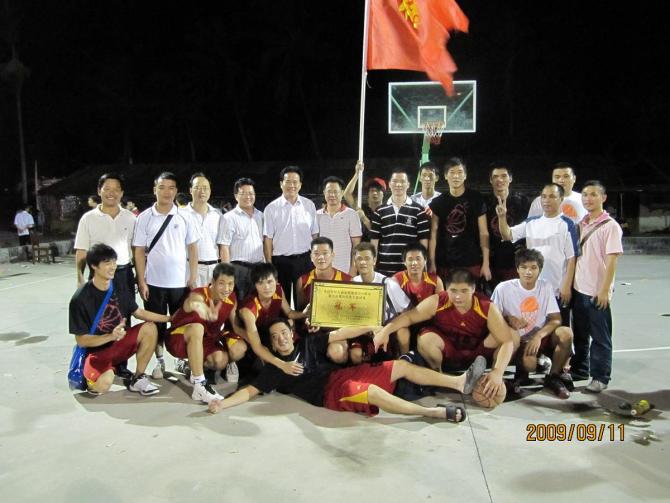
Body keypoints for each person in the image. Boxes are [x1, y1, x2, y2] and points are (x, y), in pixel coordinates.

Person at [209, 318, 488, 423]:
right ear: (271, 343)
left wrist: (370, 326)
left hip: (340, 375)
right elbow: (249, 391)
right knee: (372, 392)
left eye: (284, 332)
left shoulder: (308, 343)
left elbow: (341, 333)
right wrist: (223, 403)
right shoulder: (276, 369)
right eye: (275, 337)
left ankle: (459, 382)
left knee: (401, 365)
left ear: (291, 333)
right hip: (331, 393)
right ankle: (433, 413)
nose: (281, 338)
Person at [373, 269, 516, 400]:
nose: (458, 296)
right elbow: (409, 317)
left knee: (512, 336)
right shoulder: (438, 301)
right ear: (446, 289)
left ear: (473, 289)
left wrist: (498, 372)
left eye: (464, 291)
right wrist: (386, 331)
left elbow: (507, 341)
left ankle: (491, 379)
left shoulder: (486, 306)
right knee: (426, 338)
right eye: (453, 291)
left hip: (477, 351)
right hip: (449, 351)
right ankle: (440, 378)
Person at [69, 244, 171, 396]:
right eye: (107, 263)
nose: (113, 267)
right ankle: (97, 373)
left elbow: (139, 312)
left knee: (150, 328)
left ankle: (138, 378)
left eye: (114, 262)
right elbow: (82, 340)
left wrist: (169, 318)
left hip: (118, 345)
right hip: (96, 353)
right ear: (94, 266)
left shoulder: (118, 289)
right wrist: (111, 336)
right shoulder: (80, 298)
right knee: (103, 385)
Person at [132, 172, 200, 379]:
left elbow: (193, 248)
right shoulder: (144, 217)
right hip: (153, 283)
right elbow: (139, 251)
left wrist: (192, 277)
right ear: (155, 190)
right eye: (162, 187)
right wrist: (141, 280)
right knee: (156, 325)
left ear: (176, 191)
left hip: (180, 282)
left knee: (182, 322)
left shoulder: (185, 216)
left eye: (171, 188)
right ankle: (159, 360)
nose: (167, 192)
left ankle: (182, 359)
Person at [491, 248, 574, 398]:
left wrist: (538, 336)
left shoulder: (545, 287)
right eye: (523, 267)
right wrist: (508, 319)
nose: (528, 272)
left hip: (537, 339)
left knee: (566, 333)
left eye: (533, 268)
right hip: (514, 340)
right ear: (517, 269)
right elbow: (490, 318)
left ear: (540, 270)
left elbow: (556, 319)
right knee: (529, 364)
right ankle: (499, 376)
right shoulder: (503, 288)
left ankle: (553, 376)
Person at [497, 183, 579, 327]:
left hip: (557, 289)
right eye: (544, 196)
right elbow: (507, 234)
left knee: (560, 329)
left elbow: (571, 257)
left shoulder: (567, 224)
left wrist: (566, 285)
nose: (547, 200)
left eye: (552, 196)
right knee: (534, 328)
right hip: (534, 289)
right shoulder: (531, 222)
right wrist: (502, 217)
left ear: (561, 199)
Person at [571, 181, 623, 393]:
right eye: (585, 194)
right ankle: (581, 369)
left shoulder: (610, 226)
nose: (588, 198)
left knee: (600, 337)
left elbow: (612, 261)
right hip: (578, 289)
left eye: (593, 194)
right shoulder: (581, 224)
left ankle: (601, 376)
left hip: (596, 292)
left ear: (603, 197)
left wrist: (604, 290)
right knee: (580, 334)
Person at [166, 263, 243, 402]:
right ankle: (200, 385)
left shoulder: (231, 298)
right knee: (197, 327)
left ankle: (189, 366)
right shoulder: (198, 293)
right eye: (222, 283)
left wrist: (255, 341)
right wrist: (205, 310)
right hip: (179, 339)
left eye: (230, 284)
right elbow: (194, 303)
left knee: (221, 361)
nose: (227, 288)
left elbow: (235, 326)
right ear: (213, 282)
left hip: (206, 341)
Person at [236, 263, 308, 375]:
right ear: (255, 285)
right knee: (266, 359)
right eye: (261, 283)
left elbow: (289, 313)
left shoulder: (278, 290)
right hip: (252, 335)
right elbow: (257, 346)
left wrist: (305, 313)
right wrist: (283, 365)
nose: (267, 287)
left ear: (276, 281)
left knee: (292, 330)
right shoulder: (249, 309)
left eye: (270, 282)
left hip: (269, 330)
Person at [263, 166, 319, 307]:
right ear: (281, 183)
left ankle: (304, 322)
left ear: (300, 184)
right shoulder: (271, 208)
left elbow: (315, 234)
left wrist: (315, 258)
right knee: (282, 302)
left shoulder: (309, 205)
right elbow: (268, 239)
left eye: (295, 182)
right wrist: (269, 264)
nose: (291, 185)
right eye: (288, 182)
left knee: (305, 300)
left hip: (305, 260)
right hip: (281, 262)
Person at [428, 157, 491, 283]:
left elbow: (484, 233)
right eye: (452, 172)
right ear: (446, 176)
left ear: (465, 176)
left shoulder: (476, 199)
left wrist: (486, 263)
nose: (456, 176)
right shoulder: (438, 202)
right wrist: (432, 262)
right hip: (445, 262)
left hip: (471, 260)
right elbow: (433, 234)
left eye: (460, 172)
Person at [370, 168, 430, 277]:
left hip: (410, 270)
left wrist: (423, 266)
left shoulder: (419, 210)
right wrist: (372, 265)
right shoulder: (379, 211)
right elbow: (374, 242)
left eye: (402, 181)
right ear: (390, 184)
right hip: (384, 269)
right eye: (395, 181)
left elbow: (423, 242)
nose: (398, 184)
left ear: (408, 185)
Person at [218, 177, 265, 301]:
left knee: (256, 304)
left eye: (251, 193)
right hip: (238, 270)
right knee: (237, 304)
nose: (248, 197)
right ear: (236, 196)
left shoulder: (261, 216)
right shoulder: (228, 218)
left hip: (258, 268)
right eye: (243, 193)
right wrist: (227, 274)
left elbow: (264, 242)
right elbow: (224, 246)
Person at [485, 163, 529, 286]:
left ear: (510, 178)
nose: (499, 179)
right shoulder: (484, 202)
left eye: (504, 176)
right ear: (490, 180)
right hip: (493, 260)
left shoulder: (522, 201)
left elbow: (529, 231)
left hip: (516, 260)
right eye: (495, 176)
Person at [182, 172, 222, 288]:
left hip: (214, 269)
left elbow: (222, 245)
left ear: (210, 190)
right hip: (189, 269)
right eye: (197, 187)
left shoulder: (218, 215)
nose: (202, 191)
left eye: (205, 188)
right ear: (190, 190)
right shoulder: (181, 215)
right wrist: (191, 276)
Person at [316, 176, 362, 275]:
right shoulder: (317, 215)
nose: (332, 195)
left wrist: (353, 269)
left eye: (335, 191)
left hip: (344, 269)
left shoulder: (351, 214)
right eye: (329, 191)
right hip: (323, 270)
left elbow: (356, 245)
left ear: (342, 192)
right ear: (324, 193)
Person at [295, 237, 352, 312]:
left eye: (325, 253)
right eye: (316, 254)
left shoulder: (347, 280)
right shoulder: (302, 281)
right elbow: (300, 312)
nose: (321, 257)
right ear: (311, 257)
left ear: (332, 255)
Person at [343, 161, 387, 240]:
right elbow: (347, 194)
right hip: (362, 246)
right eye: (372, 190)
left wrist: (364, 218)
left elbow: (380, 234)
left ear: (383, 193)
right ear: (368, 194)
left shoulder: (387, 211)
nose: (375, 193)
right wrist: (357, 174)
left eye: (378, 190)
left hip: (379, 246)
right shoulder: (361, 208)